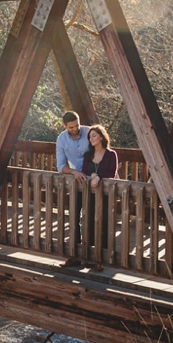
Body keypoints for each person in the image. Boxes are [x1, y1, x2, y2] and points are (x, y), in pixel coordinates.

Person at [80, 125, 118, 271]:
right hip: (90, 194)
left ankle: (101, 259)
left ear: (101, 137)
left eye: (94, 135)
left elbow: (112, 173)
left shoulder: (111, 154)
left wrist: (99, 177)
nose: (91, 138)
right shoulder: (88, 155)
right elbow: (84, 172)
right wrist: (94, 176)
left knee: (104, 224)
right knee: (88, 222)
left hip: (106, 195)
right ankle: (88, 257)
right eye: (90, 136)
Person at [56, 111, 90, 267]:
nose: (76, 128)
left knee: (93, 218)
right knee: (74, 217)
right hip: (77, 180)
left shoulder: (90, 132)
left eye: (77, 125)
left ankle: (92, 257)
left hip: (94, 179)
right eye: (71, 127)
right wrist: (74, 171)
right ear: (64, 126)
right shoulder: (61, 139)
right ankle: (74, 255)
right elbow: (61, 166)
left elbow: (104, 151)